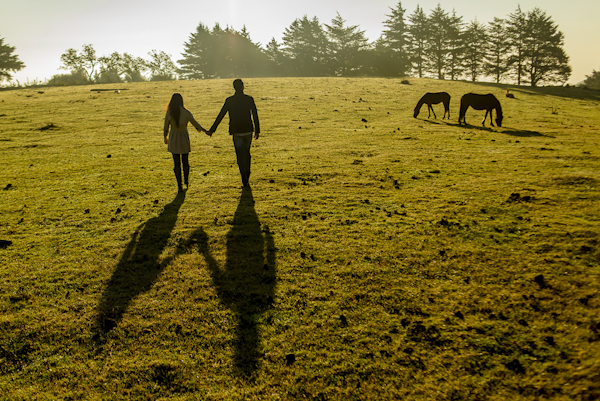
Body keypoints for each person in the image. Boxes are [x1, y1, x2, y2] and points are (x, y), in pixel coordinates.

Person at [208, 79, 260, 188]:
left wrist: (212, 129)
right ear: (243, 87)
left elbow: (221, 115)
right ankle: (247, 174)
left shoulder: (230, 100)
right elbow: (255, 114)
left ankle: (244, 180)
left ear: (233, 87)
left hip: (236, 131)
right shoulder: (249, 99)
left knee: (240, 155)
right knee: (247, 153)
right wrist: (257, 130)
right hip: (248, 129)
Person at [164, 93, 209, 192]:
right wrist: (205, 130)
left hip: (174, 137)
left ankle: (179, 184)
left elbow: (166, 127)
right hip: (184, 137)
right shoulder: (186, 112)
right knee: (185, 161)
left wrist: (165, 137)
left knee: (176, 163)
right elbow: (195, 124)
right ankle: (186, 180)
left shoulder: (169, 113)